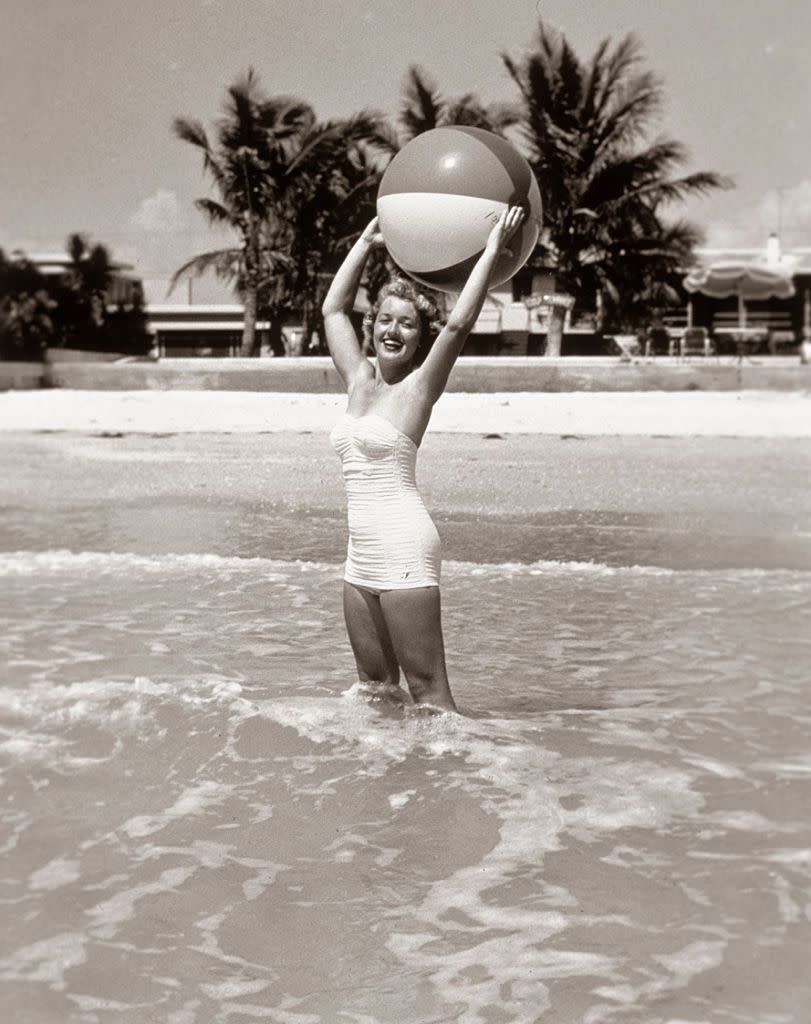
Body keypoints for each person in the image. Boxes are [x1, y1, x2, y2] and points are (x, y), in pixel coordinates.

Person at [322, 207, 525, 713]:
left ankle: (480, 777)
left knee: (428, 693)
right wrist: (367, 242)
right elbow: (331, 310)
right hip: (360, 553)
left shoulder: (417, 390)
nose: (393, 331)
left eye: (407, 325)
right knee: (374, 688)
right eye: (385, 319)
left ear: (418, 337)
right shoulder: (357, 380)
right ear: (371, 326)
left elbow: (458, 324)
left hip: (404, 548)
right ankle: (398, 784)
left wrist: (493, 251)